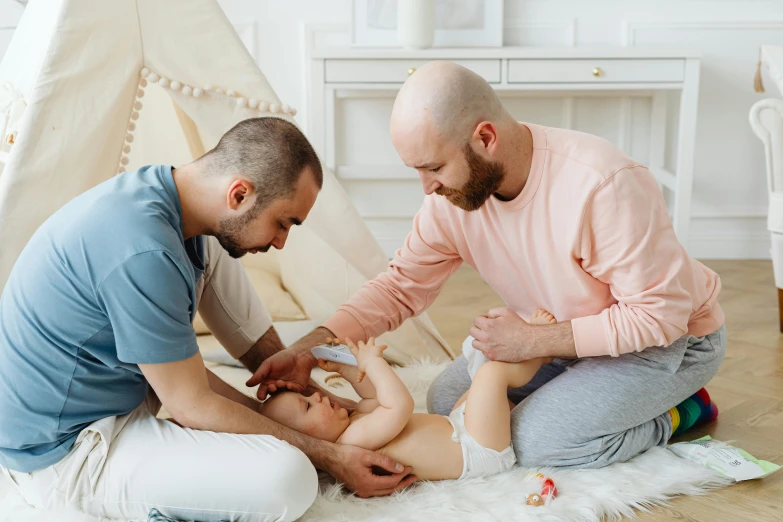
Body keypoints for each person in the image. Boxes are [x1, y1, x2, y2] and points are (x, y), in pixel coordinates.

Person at [249, 61, 726, 470]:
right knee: (443, 402)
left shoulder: (603, 185)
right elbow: (400, 288)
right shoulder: (451, 201)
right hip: (562, 341)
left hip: (672, 341)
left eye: (434, 168)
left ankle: (679, 411)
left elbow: (659, 317)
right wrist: (316, 344)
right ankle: (584, 394)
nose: (426, 188)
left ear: (485, 137)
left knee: (535, 442)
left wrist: (533, 341)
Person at [0, 117, 413, 522]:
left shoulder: (165, 197)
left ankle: (285, 376)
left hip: (119, 395)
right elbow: (189, 404)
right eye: (283, 223)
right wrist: (329, 455)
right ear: (239, 194)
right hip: (63, 453)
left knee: (215, 247)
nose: (281, 242)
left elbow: (186, 385)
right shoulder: (145, 252)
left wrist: (295, 404)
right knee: (291, 477)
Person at [263, 310, 559, 482]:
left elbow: (376, 400)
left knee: (479, 371)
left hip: (460, 428)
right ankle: (538, 355)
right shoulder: (351, 442)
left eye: (308, 396)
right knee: (490, 375)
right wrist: (374, 363)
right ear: (306, 442)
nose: (317, 398)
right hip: (476, 450)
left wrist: (349, 370)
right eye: (307, 406)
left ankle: (526, 372)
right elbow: (398, 405)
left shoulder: (356, 424)